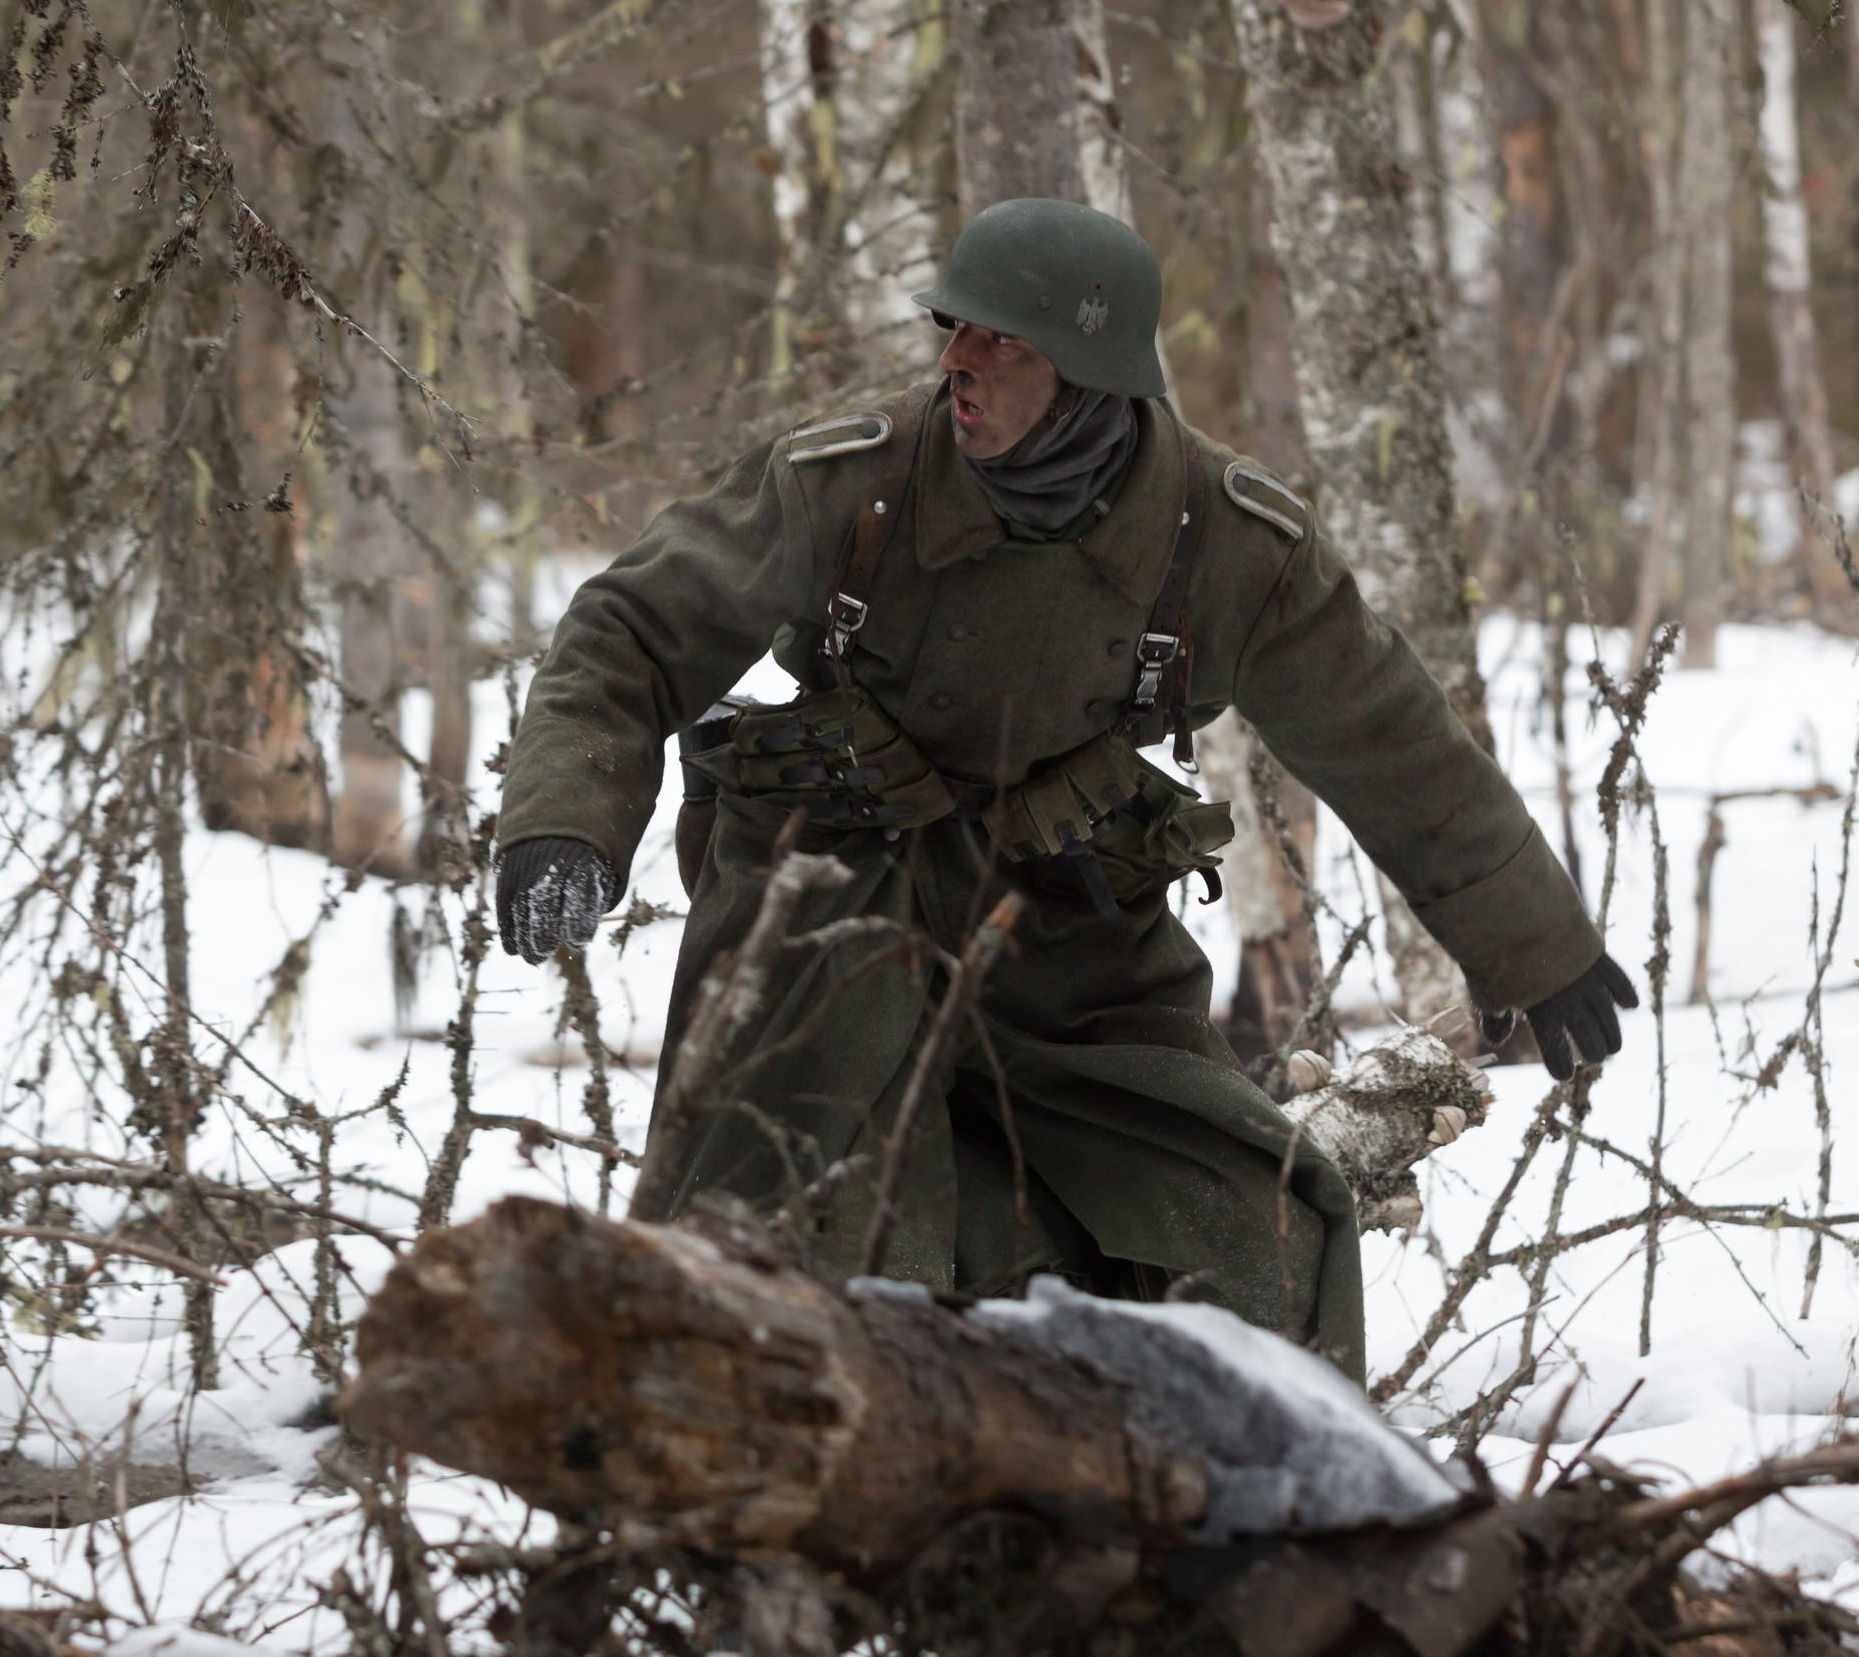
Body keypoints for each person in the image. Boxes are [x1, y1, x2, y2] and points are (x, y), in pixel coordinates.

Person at [488, 198, 1633, 1377]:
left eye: (1003, 342)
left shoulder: (1228, 543)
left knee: (1254, 1227)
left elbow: (1392, 740)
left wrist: (1534, 946)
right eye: (954, 329)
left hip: (1070, 929)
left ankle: (1215, 1496)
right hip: (824, 906)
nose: (957, 364)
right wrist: (564, 822)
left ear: (1089, 370)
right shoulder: (849, 484)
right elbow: (630, 633)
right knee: (776, 1226)